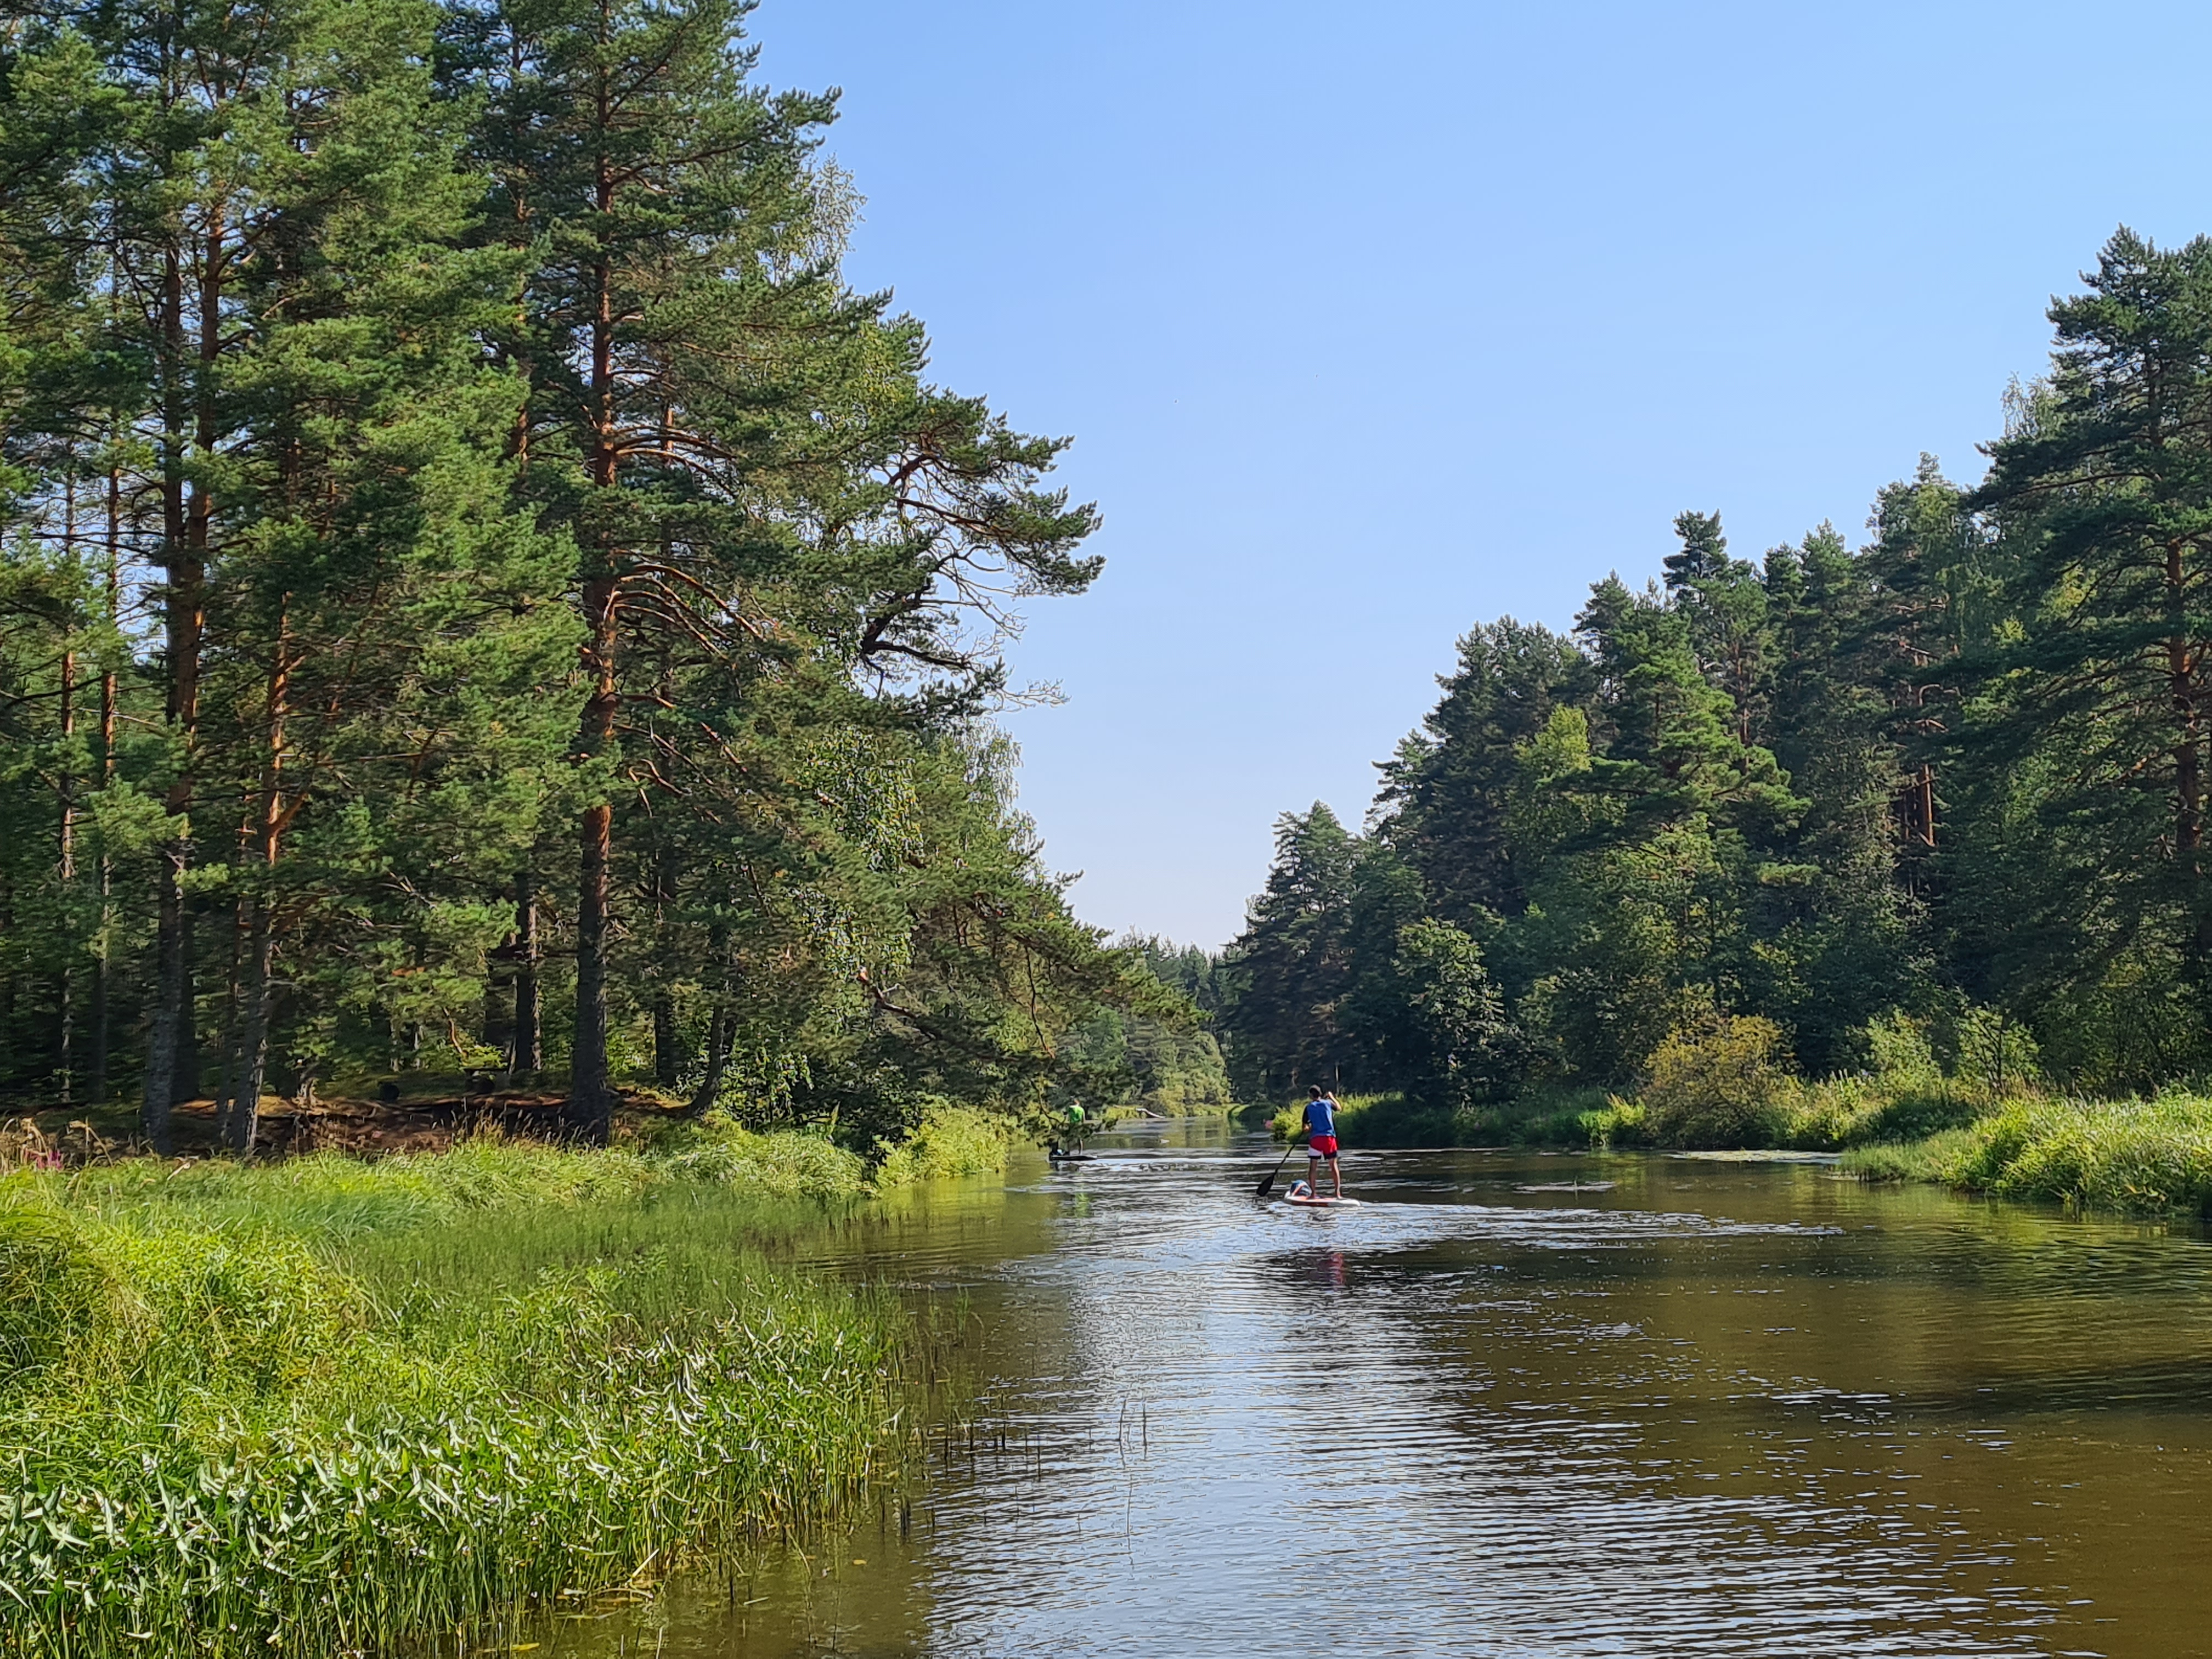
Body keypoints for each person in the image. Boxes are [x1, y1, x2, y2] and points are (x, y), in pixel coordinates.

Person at [1302, 1085, 1343, 1199]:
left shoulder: (1308, 1107)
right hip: (1329, 1139)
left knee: (1313, 1167)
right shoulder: (1328, 1103)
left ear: (1311, 1096)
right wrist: (1332, 1097)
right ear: (1320, 1094)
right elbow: (1339, 1108)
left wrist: (1309, 1128)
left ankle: (1313, 1194)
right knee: (1333, 1165)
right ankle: (1337, 1194)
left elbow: (1305, 1127)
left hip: (1316, 1139)